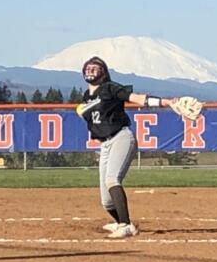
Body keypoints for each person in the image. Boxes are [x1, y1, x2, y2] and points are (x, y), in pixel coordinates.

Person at [76, 55, 185, 238]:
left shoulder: (110, 88)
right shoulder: (87, 97)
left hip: (121, 137)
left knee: (112, 180)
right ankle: (120, 222)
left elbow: (137, 98)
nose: (91, 70)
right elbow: (87, 113)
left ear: (104, 73)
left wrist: (166, 102)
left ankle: (126, 225)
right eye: (88, 67)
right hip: (105, 144)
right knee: (106, 201)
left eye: (96, 68)